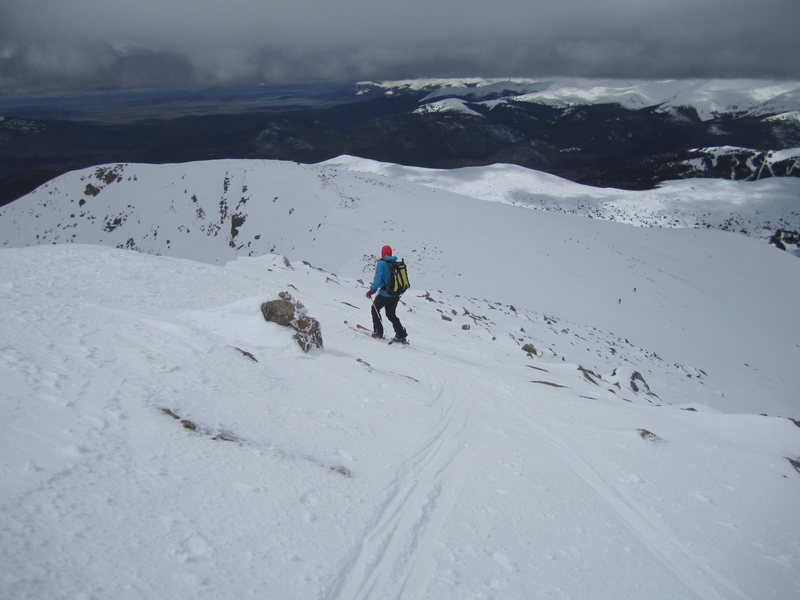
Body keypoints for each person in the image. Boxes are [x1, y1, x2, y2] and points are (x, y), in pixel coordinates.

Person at [365, 245, 408, 343]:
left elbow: (378, 279)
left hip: (385, 294)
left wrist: (372, 290)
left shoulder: (382, 264)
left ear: (382, 253)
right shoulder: (395, 262)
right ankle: (401, 335)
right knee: (391, 314)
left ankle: (378, 332)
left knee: (374, 309)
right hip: (395, 294)